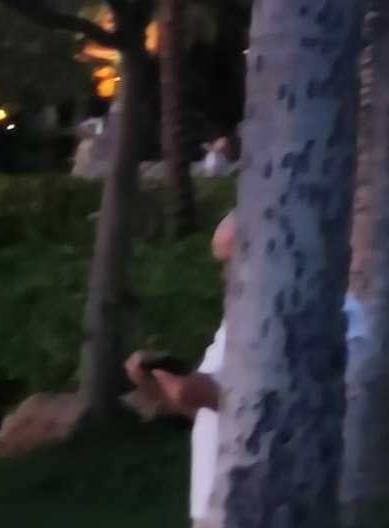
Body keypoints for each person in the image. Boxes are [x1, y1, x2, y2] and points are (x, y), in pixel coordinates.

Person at [123, 213, 374, 528]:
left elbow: (298, 413)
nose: (225, 276)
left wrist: (205, 395)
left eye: (234, 261)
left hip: (284, 505)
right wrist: (159, 387)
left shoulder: (343, 320)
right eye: (221, 265)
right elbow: (204, 407)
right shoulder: (240, 320)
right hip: (216, 506)